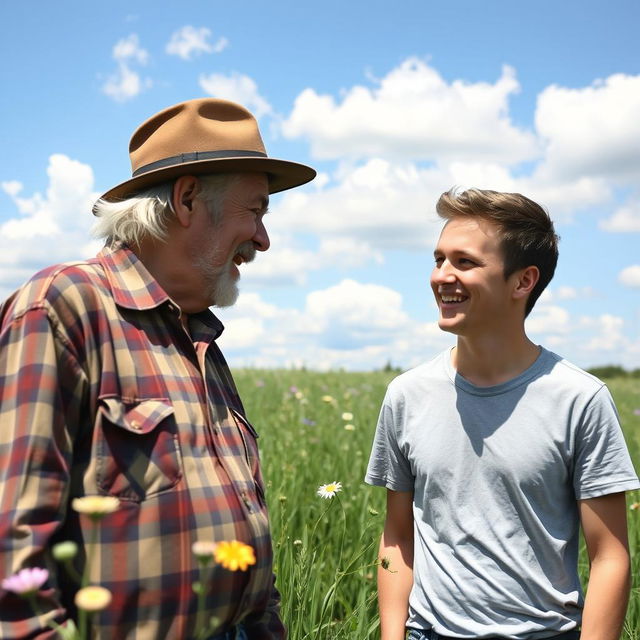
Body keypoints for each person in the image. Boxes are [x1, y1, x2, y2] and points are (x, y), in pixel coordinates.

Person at [0, 98, 315, 639]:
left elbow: (246, 535)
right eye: (256, 211)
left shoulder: (201, 341)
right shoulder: (64, 308)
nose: (264, 239)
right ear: (188, 199)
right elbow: (12, 546)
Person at [365, 188, 639, 640]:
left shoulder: (579, 399)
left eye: (464, 262)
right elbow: (397, 537)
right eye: (438, 259)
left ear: (523, 281)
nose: (441, 276)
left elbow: (610, 556)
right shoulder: (406, 395)